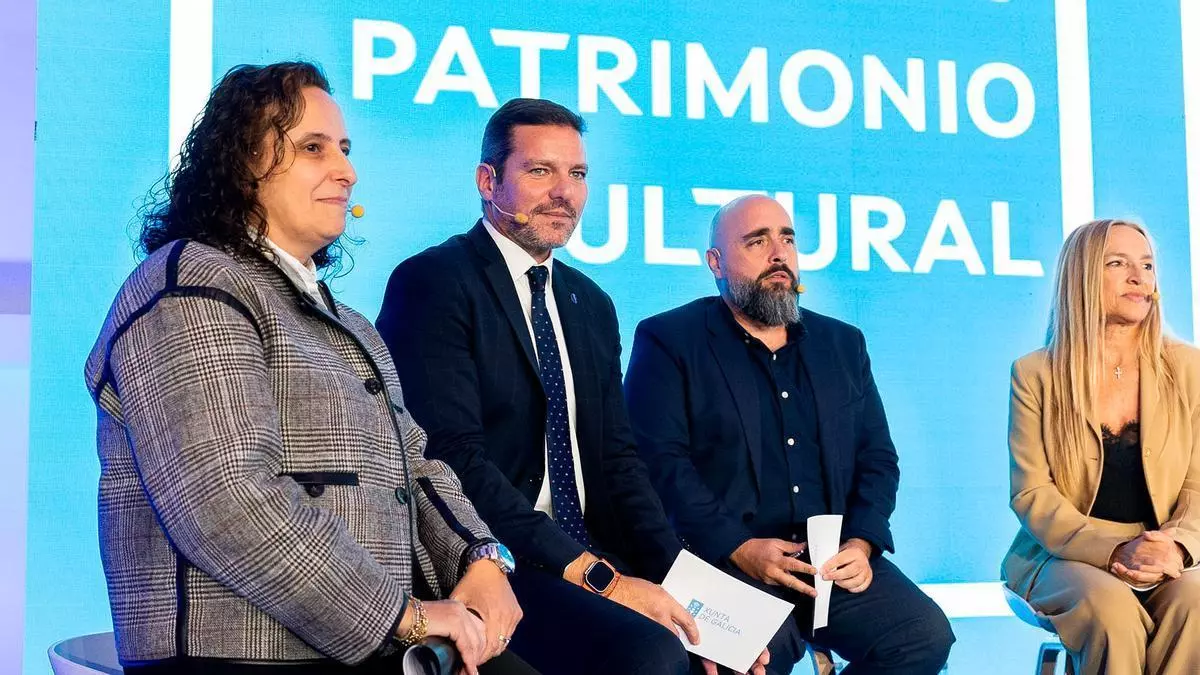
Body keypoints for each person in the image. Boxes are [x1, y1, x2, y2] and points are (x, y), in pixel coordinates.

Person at [86, 61, 533, 674]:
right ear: (242, 162)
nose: (347, 171)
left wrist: (481, 557)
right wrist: (404, 617)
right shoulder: (190, 286)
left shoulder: (350, 324)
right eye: (313, 147)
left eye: (344, 149)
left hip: (377, 646)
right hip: (244, 657)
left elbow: (417, 466)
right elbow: (227, 499)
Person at [377, 99, 766, 675]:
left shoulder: (591, 303)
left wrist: (683, 589)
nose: (564, 192)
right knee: (650, 654)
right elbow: (453, 460)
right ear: (488, 181)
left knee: (742, 647)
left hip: (591, 550)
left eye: (577, 174)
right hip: (498, 558)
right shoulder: (434, 281)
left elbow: (619, 463)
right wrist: (604, 580)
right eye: (540, 171)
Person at [625, 195, 954, 674]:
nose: (778, 253)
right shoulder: (670, 339)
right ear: (715, 263)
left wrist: (861, 544)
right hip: (724, 559)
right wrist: (740, 547)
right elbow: (660, 465)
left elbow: (878, 458)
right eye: (757, 242)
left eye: (787, 239)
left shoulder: (842, 344)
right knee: (757, 656)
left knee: (922, 635)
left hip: (828, 564)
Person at [1002, 219, 1200, 675]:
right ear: (1082, 276)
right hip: (1061, 554)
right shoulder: (1035, 374)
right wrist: (1114, 551)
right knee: (1112, 611)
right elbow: (1031, 493)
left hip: (1163, 548)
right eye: (1117, 264)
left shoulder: (1188, 367)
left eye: (1147, 265)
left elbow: (1197, 485)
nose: (1138, 278)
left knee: (1194, 600)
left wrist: (1176, 548)